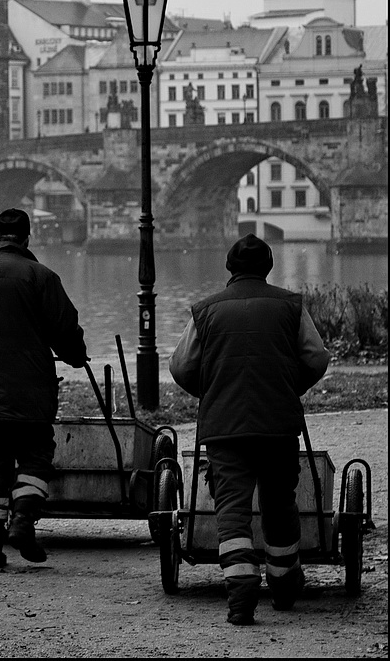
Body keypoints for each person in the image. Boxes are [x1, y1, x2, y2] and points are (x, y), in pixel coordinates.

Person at [169, 233, 329, 626]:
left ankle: (240, 593)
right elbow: (316, 358)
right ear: (269, 267)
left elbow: (181, 367)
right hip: (277, 424)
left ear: (229, 268)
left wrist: (212, 392)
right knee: (279, 502)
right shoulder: (291, 306)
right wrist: (290, 387)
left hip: (225, 428)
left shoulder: (204, 311)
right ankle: (284, 584)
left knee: (231, 509)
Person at [0, 207, 88, 571]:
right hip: (30, 390)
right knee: (36, 455)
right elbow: (65, 328)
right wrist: (75, 355)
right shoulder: (40, 276)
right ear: (26, 238)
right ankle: (23, 519)